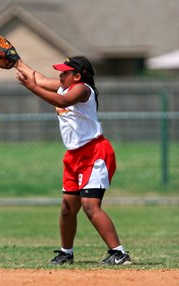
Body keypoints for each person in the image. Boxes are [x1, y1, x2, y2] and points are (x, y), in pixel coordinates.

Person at [15, 56, 132, 266]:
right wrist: (16, 61)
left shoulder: (83, 89)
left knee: (90, 205)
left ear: (77, 76)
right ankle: (66, 253)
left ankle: (119, 253)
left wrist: (31, 87)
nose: (60, 75)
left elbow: (62, 101)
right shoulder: (64, 87)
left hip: (94, 152)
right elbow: (39, 79)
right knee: (68, 208)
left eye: (64, 72)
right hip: (74, 155)